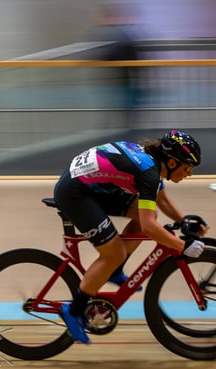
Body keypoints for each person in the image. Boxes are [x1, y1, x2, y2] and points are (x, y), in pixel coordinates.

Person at [54, 130, 207, 344]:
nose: (189, 174)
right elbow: (149, 227)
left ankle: (114, 270)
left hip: (87, 184)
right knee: (113, 253)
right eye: (188, 168)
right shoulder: (149, 173)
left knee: (144, 212)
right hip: (75, 194)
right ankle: (74, 311)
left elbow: (161, 200)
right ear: (172, 163)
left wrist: (184, 221)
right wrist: (182, 246)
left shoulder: (153, 162)